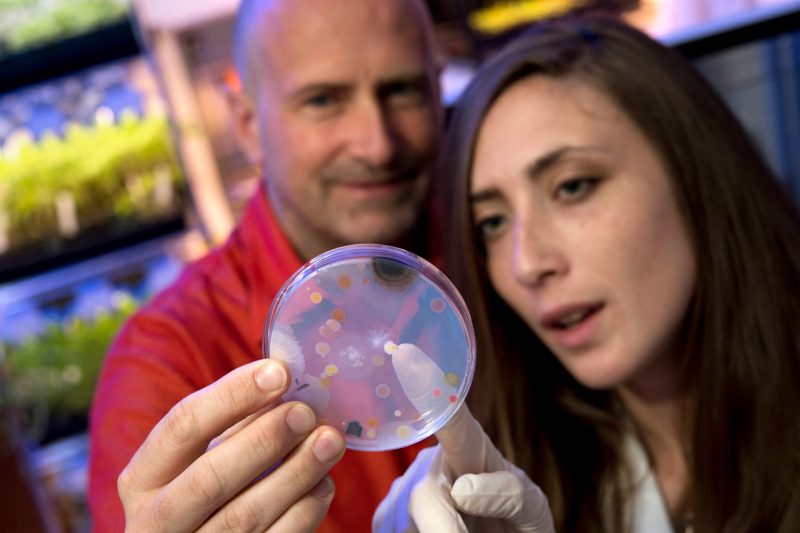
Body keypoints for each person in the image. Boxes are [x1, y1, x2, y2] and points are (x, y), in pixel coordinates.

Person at [374, 11, 800, 533]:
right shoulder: (534, 479)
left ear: (696, 173)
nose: (527, 264)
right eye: (492, 222)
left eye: (572, 186)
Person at [88, 0, 444, 530]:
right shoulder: (167, 364)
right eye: (323, 100)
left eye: (403, 90)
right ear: (248, 125)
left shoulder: (508, 259)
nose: (378, 144)